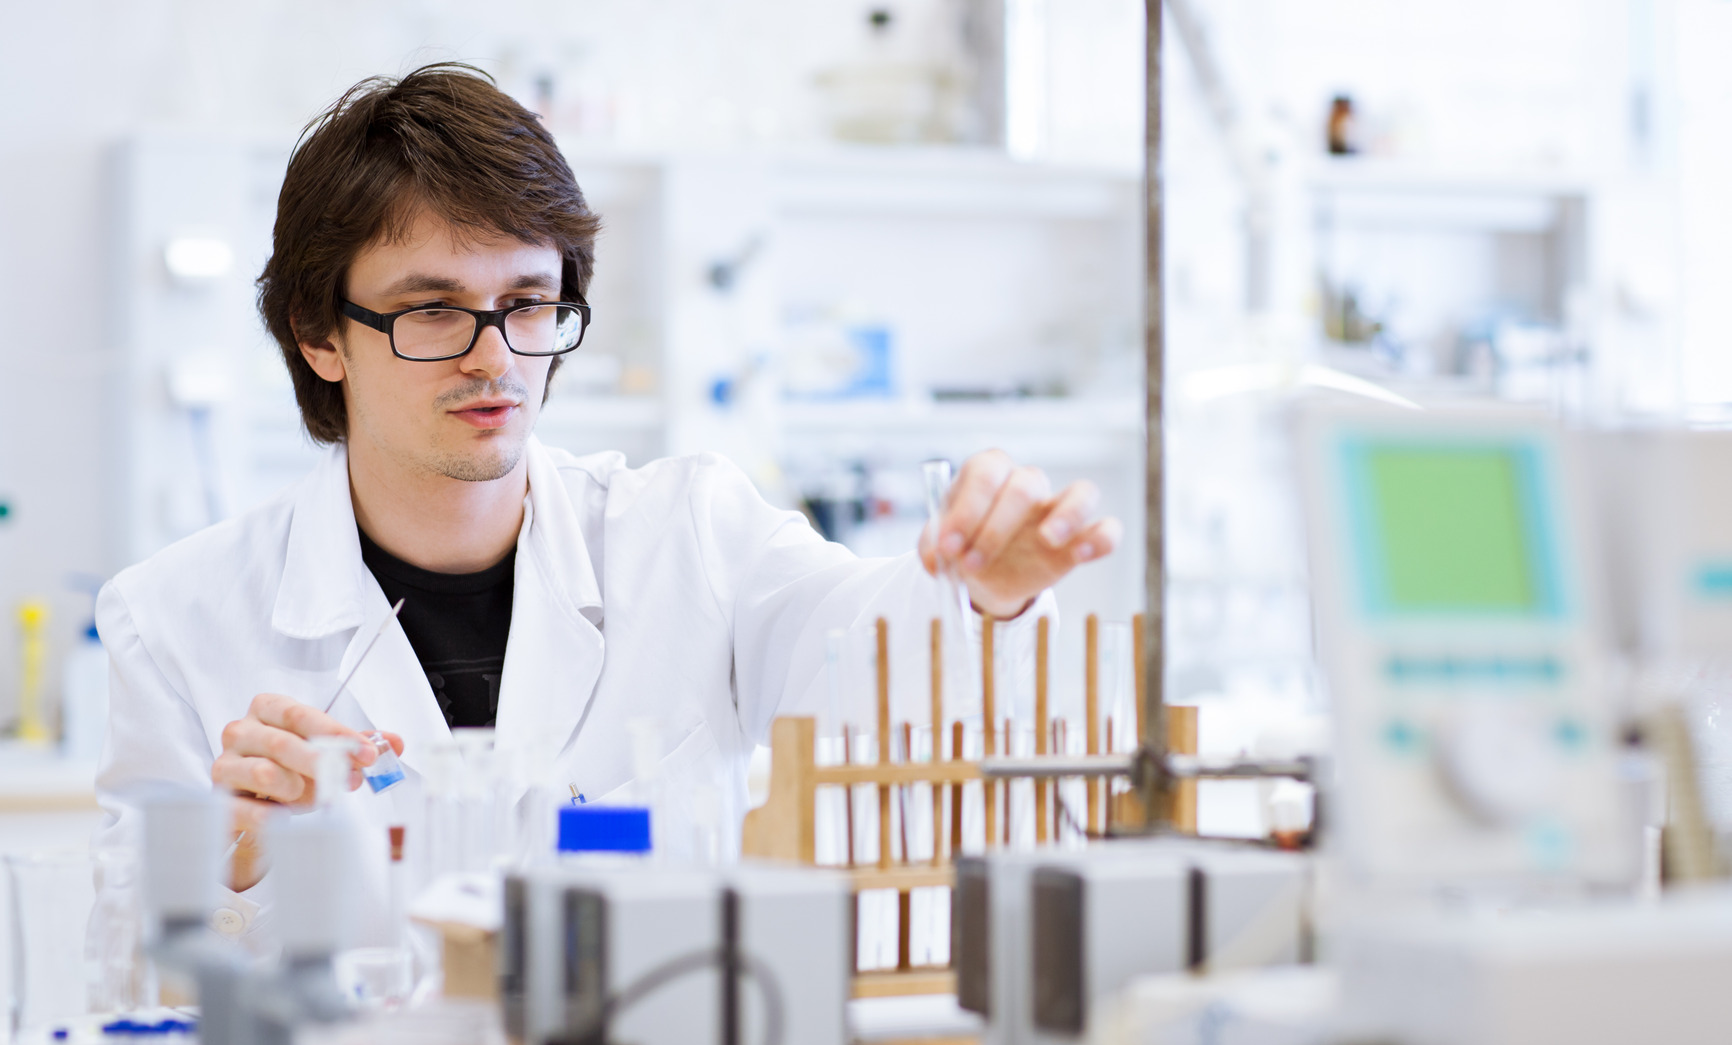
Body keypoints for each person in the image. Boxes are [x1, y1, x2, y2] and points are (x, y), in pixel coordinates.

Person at [94, 65, 1120, 942]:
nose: (496, 358)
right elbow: (117, 962)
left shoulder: (691, 534)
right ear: (321, 335)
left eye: (527, 303)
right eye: (433, 309)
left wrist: (987, 596)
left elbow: (873, 662)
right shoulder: (177, 617)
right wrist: (230, 857)